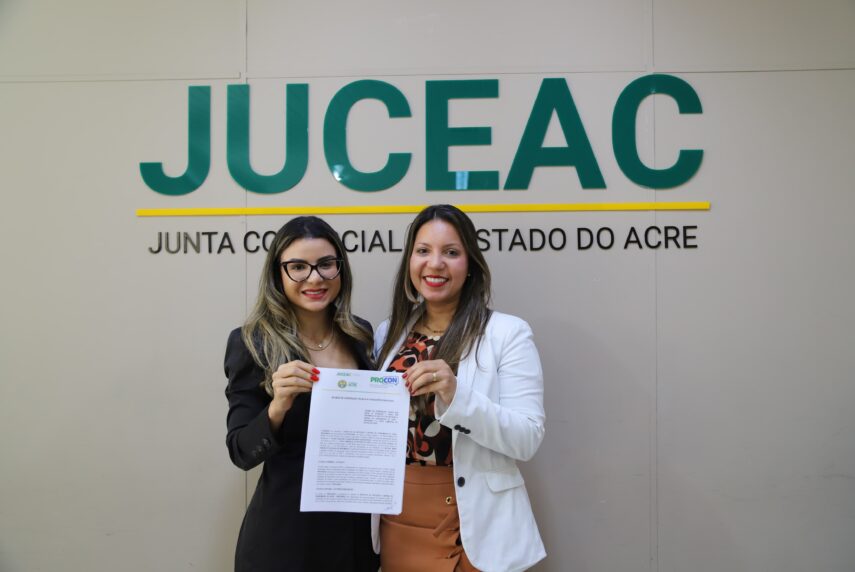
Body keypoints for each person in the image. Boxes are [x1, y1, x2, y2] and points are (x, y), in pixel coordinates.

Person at [373, 204, 546, 571]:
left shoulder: (507, 333)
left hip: (474, 524)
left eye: (451, 252)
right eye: (423, 251)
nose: (435, 264)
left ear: (470, 265)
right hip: (397, 518)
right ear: (409, 261)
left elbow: (527, 438)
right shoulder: (388, 333)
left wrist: (456, 396)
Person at [224, 216, 379, 572]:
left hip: (354, 537)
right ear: (277, 274)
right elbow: (241, 451)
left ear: (340, 268)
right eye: (298, 267)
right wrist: (278, 405)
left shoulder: (360, 335)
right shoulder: (252, 342)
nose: (314, 278)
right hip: (286, 539)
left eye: (326, 264)